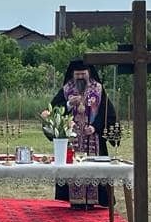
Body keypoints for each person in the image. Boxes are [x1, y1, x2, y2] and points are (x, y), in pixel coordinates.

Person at [49, 59, 119, 209]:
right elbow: (54, 109)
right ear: (72, 75)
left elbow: (107, 113)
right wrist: (68, 104)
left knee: (95, 168)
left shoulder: (98, 89)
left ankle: (95, 200)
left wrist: (95, 127)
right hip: (72, 139)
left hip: (93, 139)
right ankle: (75, 200)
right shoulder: (66, 90)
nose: (80, 77)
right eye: (77, 74)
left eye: (83, 74)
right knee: (72, 167)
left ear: (89, 73)